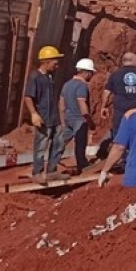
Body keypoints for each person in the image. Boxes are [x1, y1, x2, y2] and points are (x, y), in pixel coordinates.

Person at [24, 45, 68, 184]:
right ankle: (37, 172)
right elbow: (28, 97)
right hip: (43, 118)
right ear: (46, 62)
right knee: (41, 146)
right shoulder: (35, 77)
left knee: (59, 143)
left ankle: (52, 171)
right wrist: (33, 114)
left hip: (54, 117)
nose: (57, 66)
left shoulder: (50, 77)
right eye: (54, 63)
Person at [97, 52, 136, 158]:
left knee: (119, 136)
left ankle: (122, 160)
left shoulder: (115, 75)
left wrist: (103, 106)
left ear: (123, 61)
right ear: (134, 61)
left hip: (120, 111)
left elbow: (106, 92)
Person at [59, 58, 96, 175]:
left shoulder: (66, 84)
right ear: (86, 73)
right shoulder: (82, 86)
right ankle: (83, 166)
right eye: (91, 73)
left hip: (68, 118)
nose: (91, 76)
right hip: (79, 120)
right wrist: (88, 119)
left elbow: (61, 105)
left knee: (61, 142)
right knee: (80, 144)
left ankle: (51, 161)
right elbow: (81, 102)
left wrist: (63, 121)